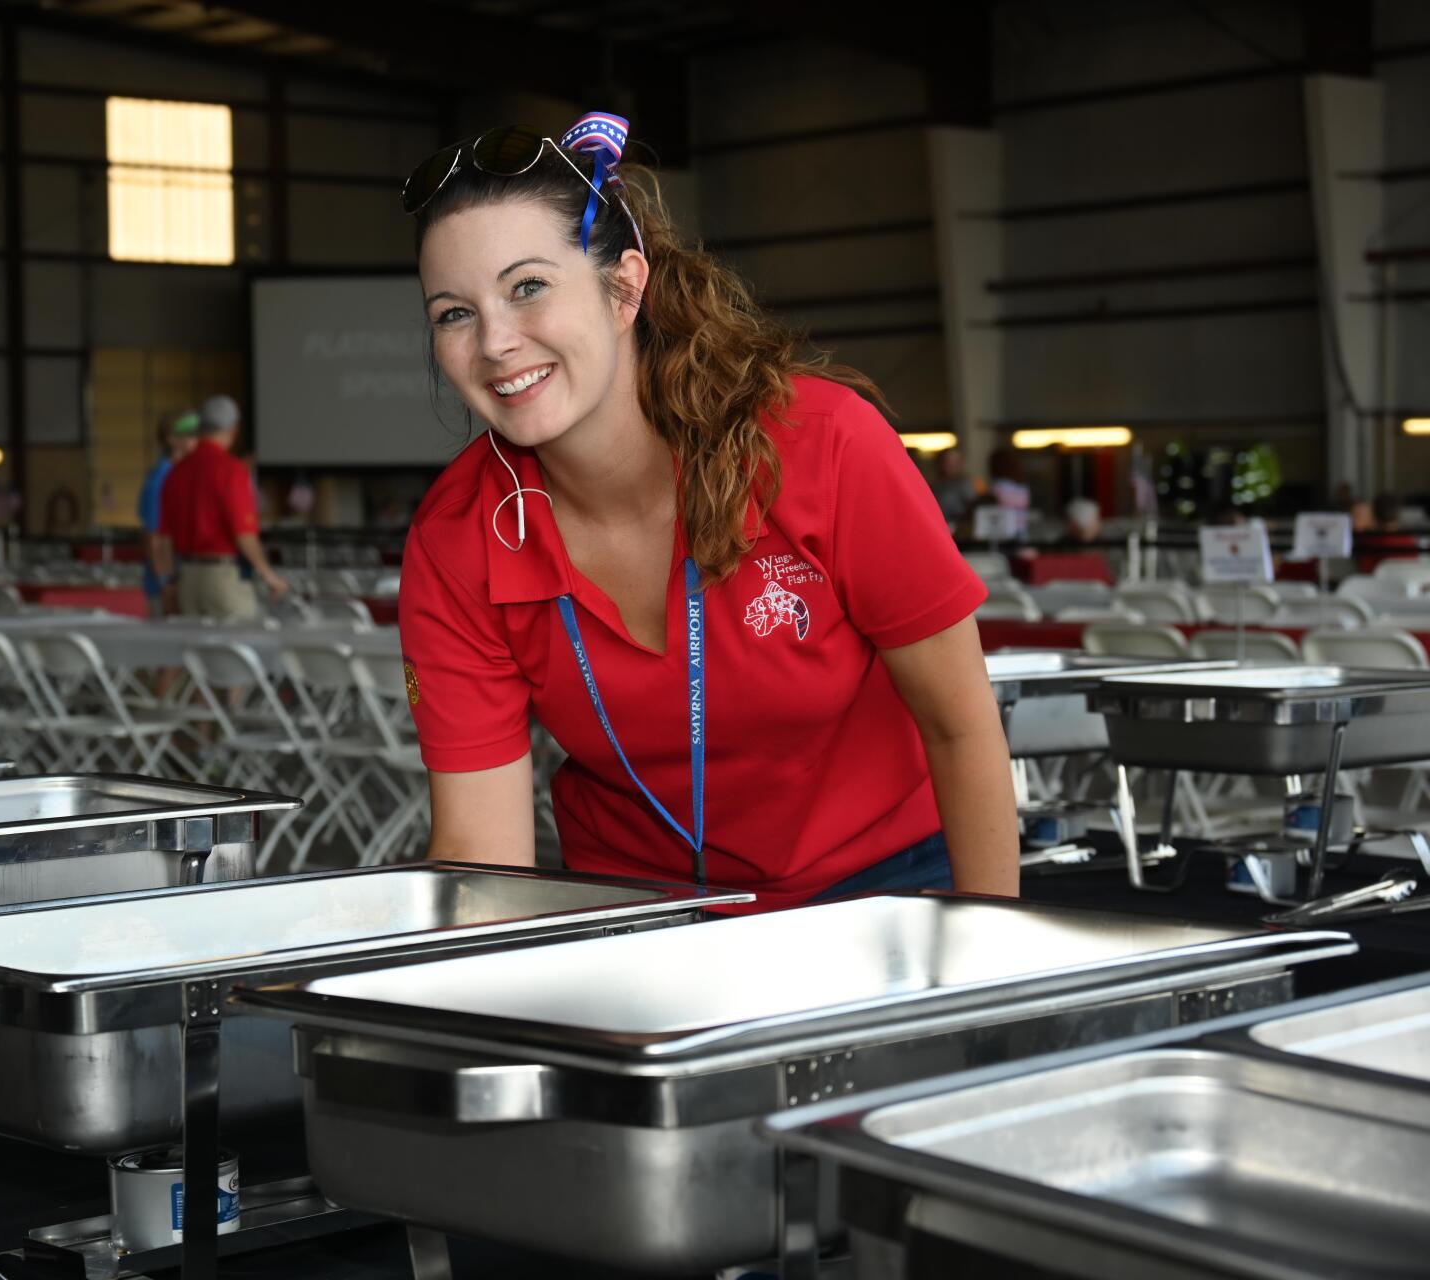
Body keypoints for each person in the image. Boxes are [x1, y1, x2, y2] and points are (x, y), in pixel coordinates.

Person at [395, 113, 1018, 908]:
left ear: (624, 286)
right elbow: (481, 855)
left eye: (528, 289)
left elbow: (962, 729)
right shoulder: (457, 539)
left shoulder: (822, 446)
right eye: (455, 313)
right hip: (636, 911)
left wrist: (990, 963)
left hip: (884, 891)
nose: (495, 343)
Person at [158, 393, 289, 619]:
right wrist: (270, 576)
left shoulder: (176, 472)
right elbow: (244, 536)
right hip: (222, 579)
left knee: (195, 652)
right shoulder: (232, 471)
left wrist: (170, 582)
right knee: (240, 648)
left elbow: (163, 539)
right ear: (233, 430)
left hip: (187, 579)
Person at [140, 407, 199, 613]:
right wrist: (166, 583)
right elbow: (155, 536)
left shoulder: (183, 474)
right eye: (190, 435)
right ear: (171, 439)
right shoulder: (161, 478)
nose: (197, 440)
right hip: (166, 587)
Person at [931, 447, 977, 528]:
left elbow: (973, 509)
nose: (952, 466)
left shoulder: (967, 484)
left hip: (960, 529)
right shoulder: (934, 485)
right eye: (948, 462)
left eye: (955, 462)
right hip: (938, 526)